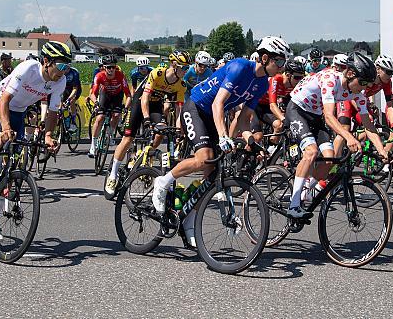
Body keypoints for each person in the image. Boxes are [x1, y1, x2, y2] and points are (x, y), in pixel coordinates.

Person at [151, 37, 291, 245]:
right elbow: (218, 104)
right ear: (265, 57)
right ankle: (163, 181)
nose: (282, 67)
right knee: (204, 158)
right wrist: (224, 136)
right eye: (279, 62)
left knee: (211, 175)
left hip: (212, 116)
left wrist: (250, 140)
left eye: (284, 63)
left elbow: (243, 119)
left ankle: (188, 221)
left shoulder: (262, 83)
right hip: (197, 108)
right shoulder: (239, 67)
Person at [0, 41, 71, 210]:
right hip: (0, 103)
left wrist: (48, 136)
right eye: (61, 65)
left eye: (67, 67)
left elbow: (53, 112)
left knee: (11, 165)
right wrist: (5, 128)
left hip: (19, 112)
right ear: (47, 61)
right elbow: (4, 99)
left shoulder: (59, 82)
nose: (64, 72)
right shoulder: (29, 69)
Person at [285, 52, 388, 219]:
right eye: (361, 83)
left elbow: (368, 125)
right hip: (297, 110)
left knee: (330, 158)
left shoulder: (358, 94)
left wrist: (381, 149)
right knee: (311, 152)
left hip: (315, 115)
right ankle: (294, 204)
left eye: (367, 85)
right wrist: (349, 137)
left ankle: (308, 187)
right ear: (349, 74)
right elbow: (329, 116)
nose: (363, 88)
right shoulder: (330, 79)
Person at [104, 51, 191, 195]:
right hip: (140, 102)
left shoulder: (181, 85)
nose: (185, 71)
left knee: (161, 133)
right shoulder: (157, 73)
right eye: (183, 67)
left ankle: (146, 153)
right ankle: (112, 175)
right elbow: (145, 98)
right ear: (174, 65)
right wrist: (146, 120)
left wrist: (179, 129)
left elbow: (178, 108)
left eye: (188, 68)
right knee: (128, 139)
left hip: (156, 105)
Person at [334, 54, 393, 155]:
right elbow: (354, 97)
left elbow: (390, 104)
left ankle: (354, 146)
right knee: (344, 129)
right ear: (378, 68)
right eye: (388, 72)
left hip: (361, 102)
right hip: (349, 99)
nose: (390, 76)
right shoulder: (366, 76)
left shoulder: (387, 82)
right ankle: (334, 163)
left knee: (369, 127)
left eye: (392, 73)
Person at [88, 55, 131, 157]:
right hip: (105, 95)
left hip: (117, 96)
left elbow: (128, 95)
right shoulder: (99, 76)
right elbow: (93, 94)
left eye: (113, 67)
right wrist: (96, 103)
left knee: (116, 115)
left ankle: (110, 135)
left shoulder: (121, 76)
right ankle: (93, 145)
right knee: (100, 118)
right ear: (104, 67)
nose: (111, 69)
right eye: (108, 67)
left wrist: (125, 108)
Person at [62, 65, 82, 132]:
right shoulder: (59, 71)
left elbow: (75, 89)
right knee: (61, 105)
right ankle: (65, 120)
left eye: (67, 68)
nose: (65, 70)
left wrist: (69, 99)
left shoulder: (74, 72)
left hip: (74, 89)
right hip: (64, 89)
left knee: (71, 101)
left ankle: (73, 121)